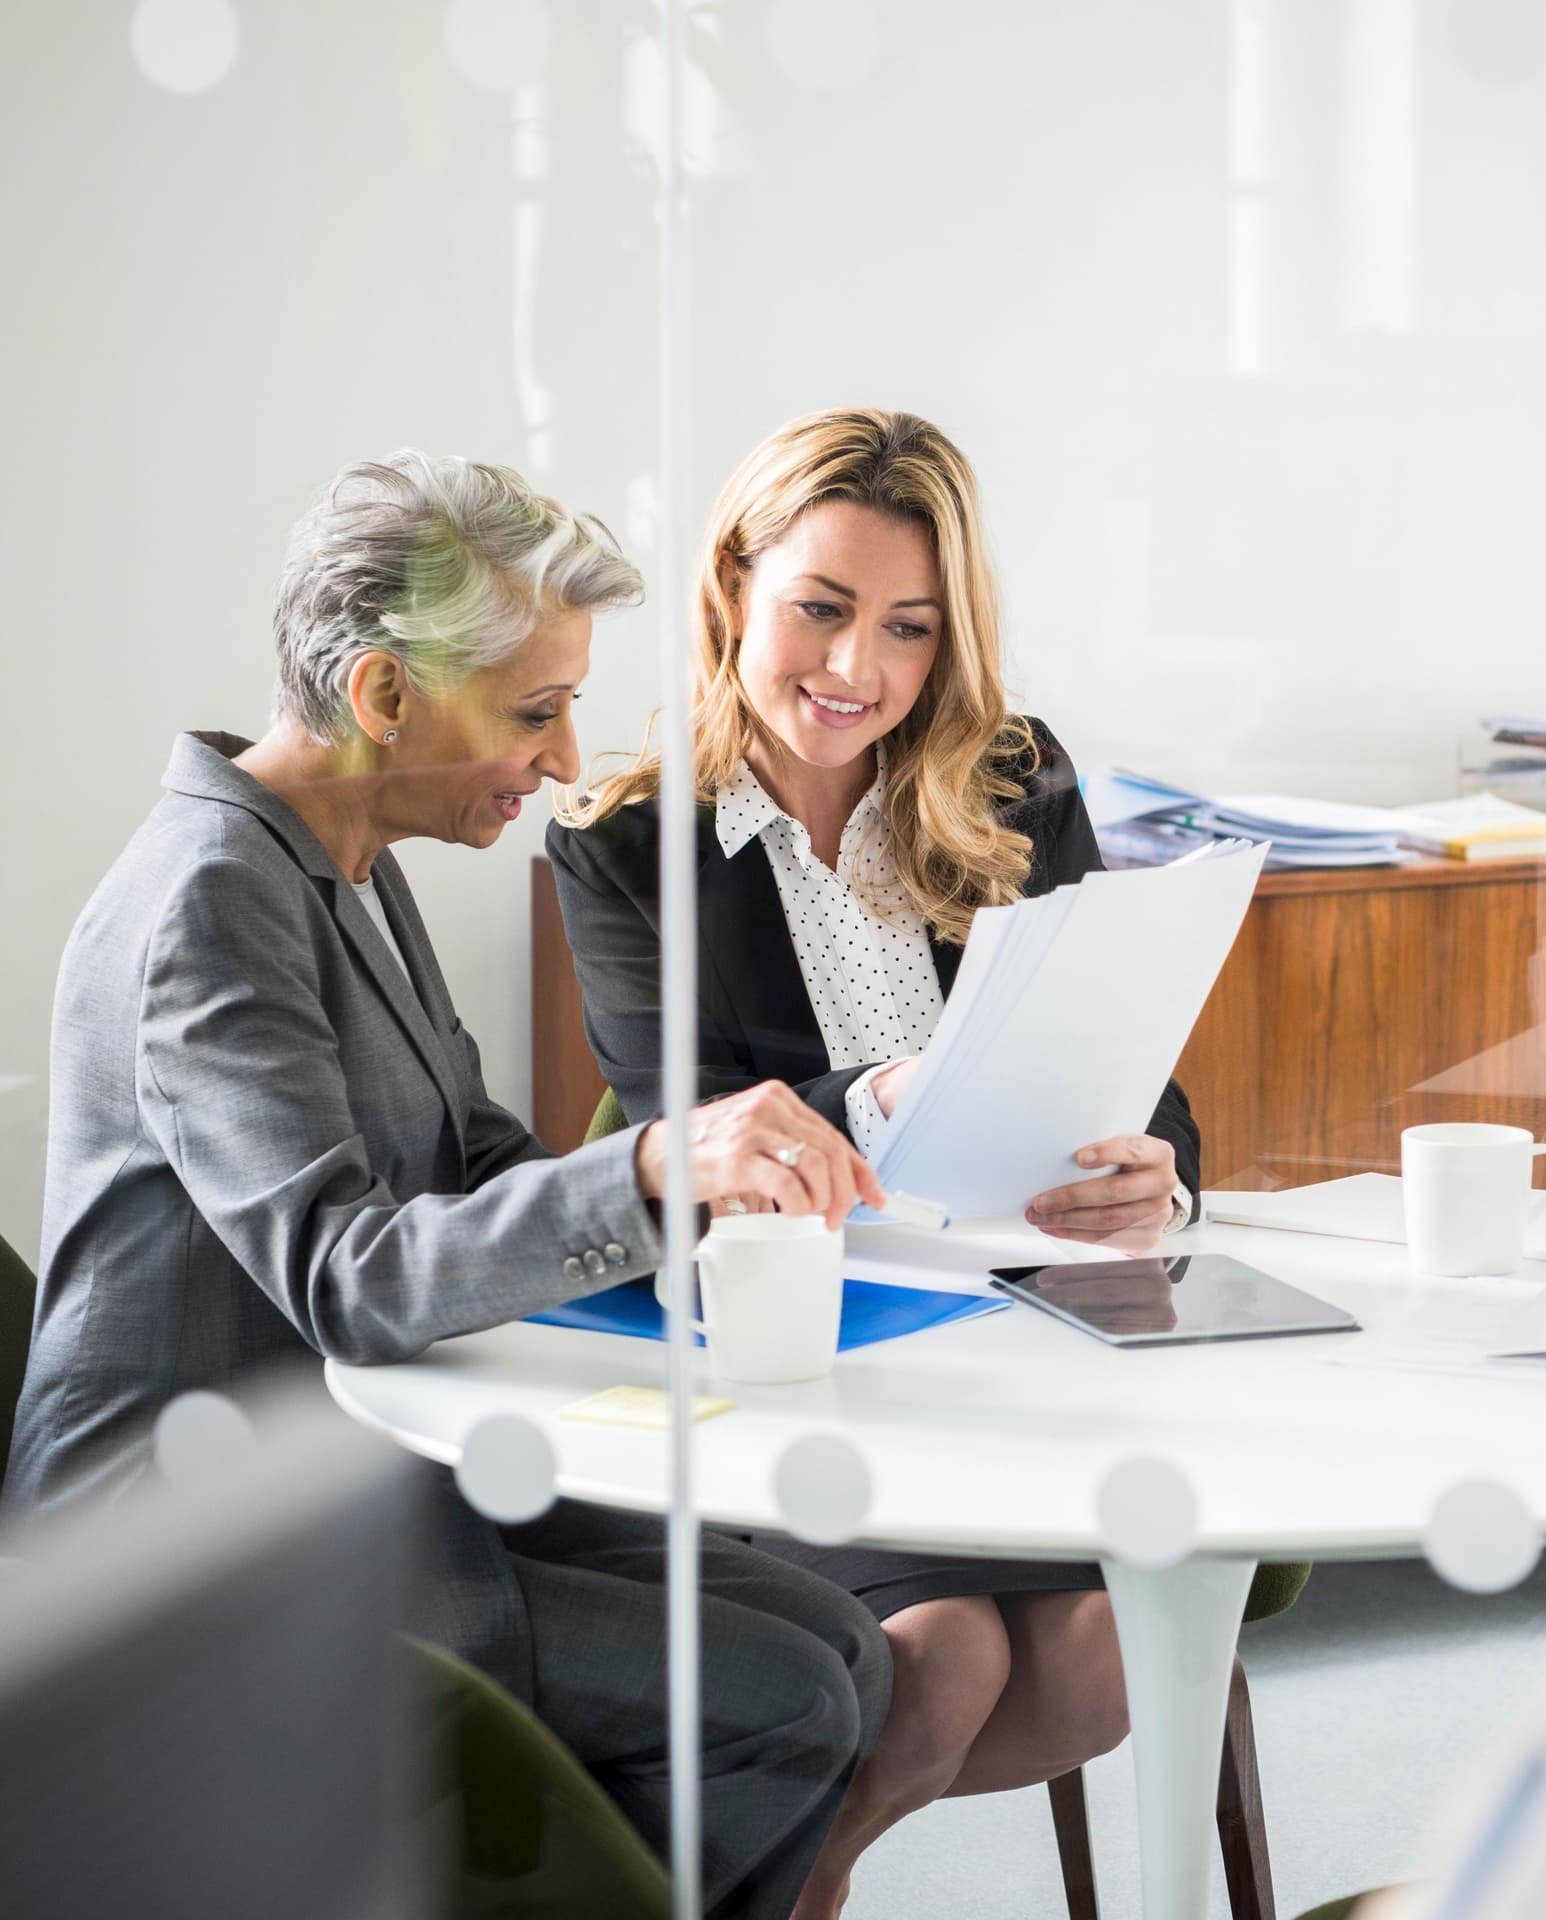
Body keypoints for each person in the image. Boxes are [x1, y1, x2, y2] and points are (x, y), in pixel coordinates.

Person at [1, 451, 892, 1920]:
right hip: (203, 1536)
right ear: (383, 700)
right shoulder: (210, 901)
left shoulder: (341, 855)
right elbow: (349, 1276)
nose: (561, 759)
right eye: (535, 711)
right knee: (781, 1700)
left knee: (838, 1648)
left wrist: (704, 1209)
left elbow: (470, 1158)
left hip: (366, 1454)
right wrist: (658, 1167)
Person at [545, 407, 1202, 1916]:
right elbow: (691, 1122)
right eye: (820, 612)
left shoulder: (1014, 780)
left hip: (1021, 1344)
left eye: (908, 629)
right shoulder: (625, 839)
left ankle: (763, 1876)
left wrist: (1152, 1172)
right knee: (945, 1653)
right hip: (798, 1352)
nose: (859, 673)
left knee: (1103, 1658)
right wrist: (898, 1093)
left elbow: (1144, 1092)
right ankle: (791, 1881)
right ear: (732, 590)